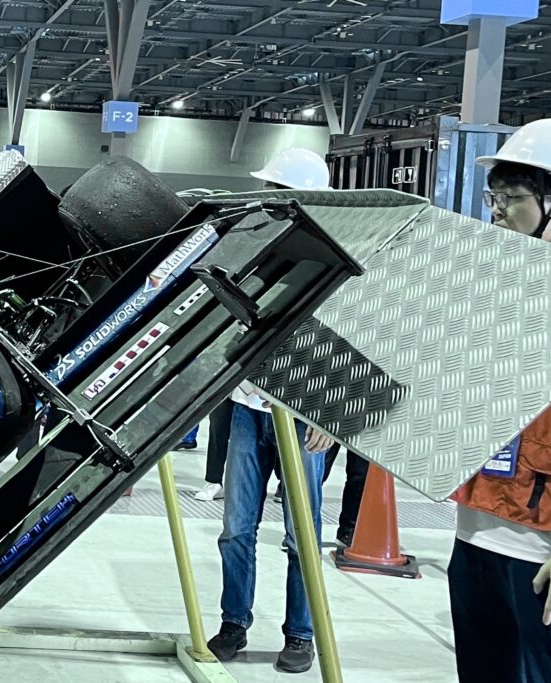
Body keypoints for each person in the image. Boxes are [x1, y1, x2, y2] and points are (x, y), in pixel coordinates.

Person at [449, 118, 551, 683]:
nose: (497, 211)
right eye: (494, 198)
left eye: (513, 198)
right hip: (475, 531)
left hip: (548, 546)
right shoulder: (496, 296)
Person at [207, 148, 336, 674]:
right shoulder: (257, 246)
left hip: (303, 416)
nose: (268, 202)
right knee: (236, 528)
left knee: (300, 534)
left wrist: (330, 415)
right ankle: (233, 623)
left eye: (277, 193)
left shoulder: (335, 258)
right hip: (248, 408)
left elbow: (351, 340)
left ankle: (300, 634)